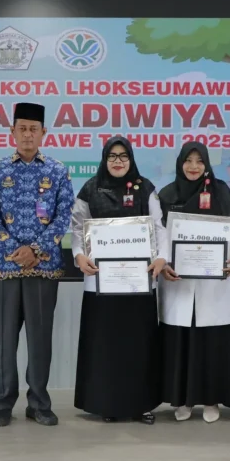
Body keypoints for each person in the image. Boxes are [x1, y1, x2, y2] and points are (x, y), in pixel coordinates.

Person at [0, 102, 74, 427]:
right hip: (5, 268)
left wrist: (35, 249)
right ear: (12, 132)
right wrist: (14, 249)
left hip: (44, 268)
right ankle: (3, 403)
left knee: (39, 338)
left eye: (34, 129)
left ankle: (39, 403)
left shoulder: (58, 171)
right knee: (5, 340)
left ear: (43, 133)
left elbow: (64, 217)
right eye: (22, 128)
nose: (28, 135)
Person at [72, 136, 168, 424]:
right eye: (112, 156)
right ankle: (107, 404)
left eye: (123, 156)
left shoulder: (146, 188)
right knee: (106, 345)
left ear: (131, 159)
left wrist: (162, 257)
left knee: (138, 344)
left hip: (138, 283)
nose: (117, 161)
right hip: (101, 283)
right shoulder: (89, 189)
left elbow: (158, 226)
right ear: (104, 159)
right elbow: (77, 229)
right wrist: (78, 255)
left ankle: (141, 404)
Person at [158, 142, 230, 422]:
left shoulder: (221, 193)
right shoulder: (167, 195)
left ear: (207, 164)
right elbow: (158, 238)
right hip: (178, 281)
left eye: (199, 161)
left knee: (212, 342)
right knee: (181, 341)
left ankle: (211, 401)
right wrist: (162, 266)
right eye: (188, 160)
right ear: (180, 163)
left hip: (214, 285)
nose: (194, 166)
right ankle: (182, 400)